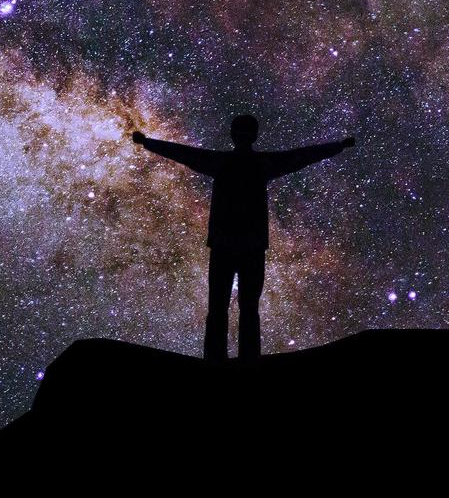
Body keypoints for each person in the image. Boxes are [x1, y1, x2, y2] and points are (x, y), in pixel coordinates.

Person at [127, 114, 354, 360]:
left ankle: (221, 358)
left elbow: (184, 154)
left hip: (231, 245)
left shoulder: (226, 162)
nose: (243, 137)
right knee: (240, 309)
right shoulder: (259, 163)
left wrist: (148, 143)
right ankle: (243, 358)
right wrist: (337, 147)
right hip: (247, 245)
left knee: (225, 308)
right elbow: (300, 156)